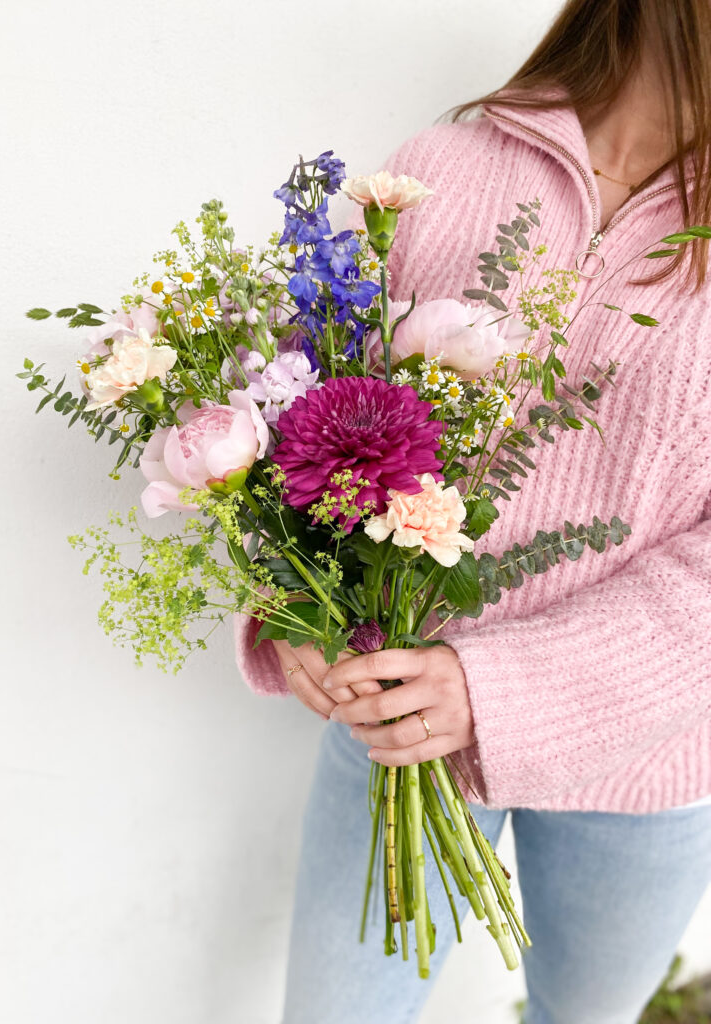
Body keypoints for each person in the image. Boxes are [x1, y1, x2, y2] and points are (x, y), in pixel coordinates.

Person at [235, 1, 711, 1021]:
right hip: (395, 716)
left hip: (652, 756)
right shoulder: (439, 170)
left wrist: (494, 689)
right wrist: (293, 605)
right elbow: (303, 412)